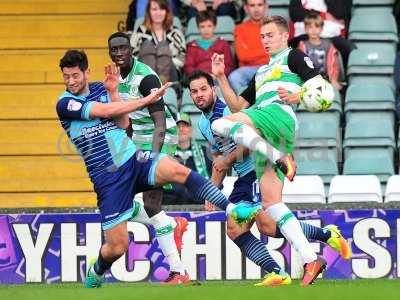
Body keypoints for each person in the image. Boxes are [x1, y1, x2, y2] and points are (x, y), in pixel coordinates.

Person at [56, 50, 259, 288]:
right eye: (66, 77)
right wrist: (146, 100)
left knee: (177, 170)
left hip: (132, 159)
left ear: (86, 72)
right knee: (117, 246)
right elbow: (106, 112)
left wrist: (112, 92)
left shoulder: (103, 88)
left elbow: (123, 123)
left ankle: (232, 208)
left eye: (75, 75)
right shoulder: (64, 103)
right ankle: (98, 269)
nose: (71, 81)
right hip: (108, 177)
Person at [189, 70, 351, 286]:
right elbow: (219, 158)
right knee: (245, 228)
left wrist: (228, 161)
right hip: (243, 176)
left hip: (259, 166)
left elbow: (253, 138)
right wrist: (212, 190)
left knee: (255, 225)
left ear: (213, 89)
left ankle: (308, 250)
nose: (199, 94)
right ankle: (298, 256)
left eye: (203, 89)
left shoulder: (228, 110)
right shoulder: (202, 123)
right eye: (193, 91)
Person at [211, 16, 331, 286]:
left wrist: (298, 95)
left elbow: (322, 85)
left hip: (277, 116)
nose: (264, 40)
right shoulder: (263, 71)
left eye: (269, 35)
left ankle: (279, 157)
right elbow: (239, 107)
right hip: (264, 124)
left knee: (219, 124)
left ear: (283, 36)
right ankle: (311, 259)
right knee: (271, 203)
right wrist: (220, 78)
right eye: (262, 36)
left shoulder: (294, 57)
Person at [108, 31, 190, 284]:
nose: (119, 52)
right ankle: (171, 224)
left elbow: (160, 122)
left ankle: (178, 272)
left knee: (152, 202)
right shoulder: (114, 79)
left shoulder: (145, 78)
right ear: (110, 52)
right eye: (115, 49)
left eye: (123, 48)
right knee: (116, 196)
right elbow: (127, 119)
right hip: (137, 136)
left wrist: (153, 158)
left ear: (130, 50)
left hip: (161, 135)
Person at [130, 0, 186, 83]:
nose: (158, 13)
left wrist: (162, 62)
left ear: (167, 11)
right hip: (144, 75)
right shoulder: (140, 32)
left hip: (170, 76)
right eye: (154, 9)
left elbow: (182, 58)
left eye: (162, 9)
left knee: (163, 46)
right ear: (149, 12)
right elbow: (132, 57)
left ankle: (159, 81)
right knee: (147, 45)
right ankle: (152, 81)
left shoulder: (175, 32)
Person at [163, 112, 213, 205]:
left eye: (185, 125)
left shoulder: (205, 153)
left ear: (191, 129)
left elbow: (214, 182)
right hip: (171, 208)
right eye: (177, 126)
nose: (181, 129)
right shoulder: (164, 154)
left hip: (200, 208)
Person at [288, 0, 355, 68]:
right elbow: (295, 14)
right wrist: (321, 15)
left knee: (349, 49)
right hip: (304, 34)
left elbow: (340, 12)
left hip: (332, 35)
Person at [228, 0, 269, 93]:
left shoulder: (274, 27)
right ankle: (248, 104)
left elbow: (278, 52)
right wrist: (266, 51)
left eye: (260, 5)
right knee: (234, 77)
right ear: (246, 8)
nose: (256, 9)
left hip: (270, 67)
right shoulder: (240, 29)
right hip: (248, 70)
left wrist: (252, 52)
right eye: (252, 5)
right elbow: (243, 56)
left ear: (266, 7)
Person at [184, 10, 234, 79]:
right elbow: (189, 67)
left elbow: (229, 66)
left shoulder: (223, 44)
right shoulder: (192, 46)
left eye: (209, 26)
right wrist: (200, 76)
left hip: (219, 78)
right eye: (202, 27)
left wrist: (218, 75)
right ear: (198, 28)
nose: (206, 30)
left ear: (214, 26)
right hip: (198, 79)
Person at [298, 12, 342, 91]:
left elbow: (334, 65)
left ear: (321, 29)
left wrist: (334, 80)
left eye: (317, 27)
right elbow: (299, 66)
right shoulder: (303, 46)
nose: (314, 30)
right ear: (305, 29)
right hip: (308, 81)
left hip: (326, 80)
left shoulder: (328, 45)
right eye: (310, 27)